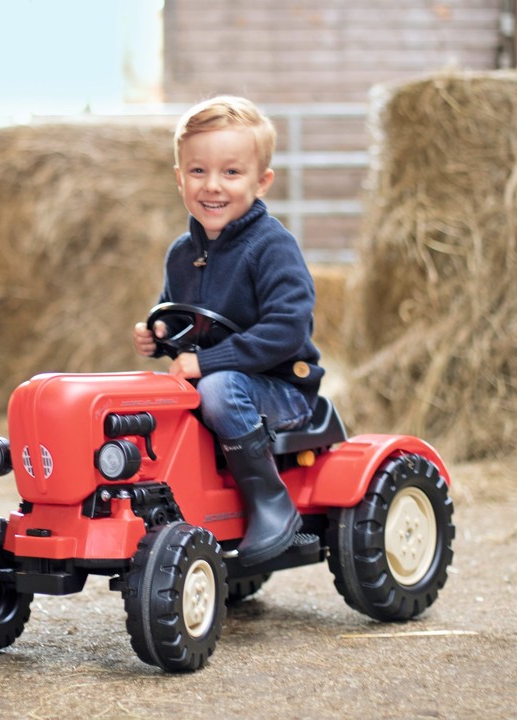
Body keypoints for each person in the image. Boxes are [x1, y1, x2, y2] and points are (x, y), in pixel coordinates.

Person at [132, 95, 325, 567]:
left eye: (231, 173)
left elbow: (285, 329)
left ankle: (271, 503)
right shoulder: (182, 252)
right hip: (217, 384)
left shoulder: (271, 247)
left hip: (280, 390)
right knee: (150, 398)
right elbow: (177, 318)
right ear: (179, 178)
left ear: (262, 182)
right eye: (197, 172)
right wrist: (157, 337)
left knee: (217, 388)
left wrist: (208, 362)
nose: (212, 186)